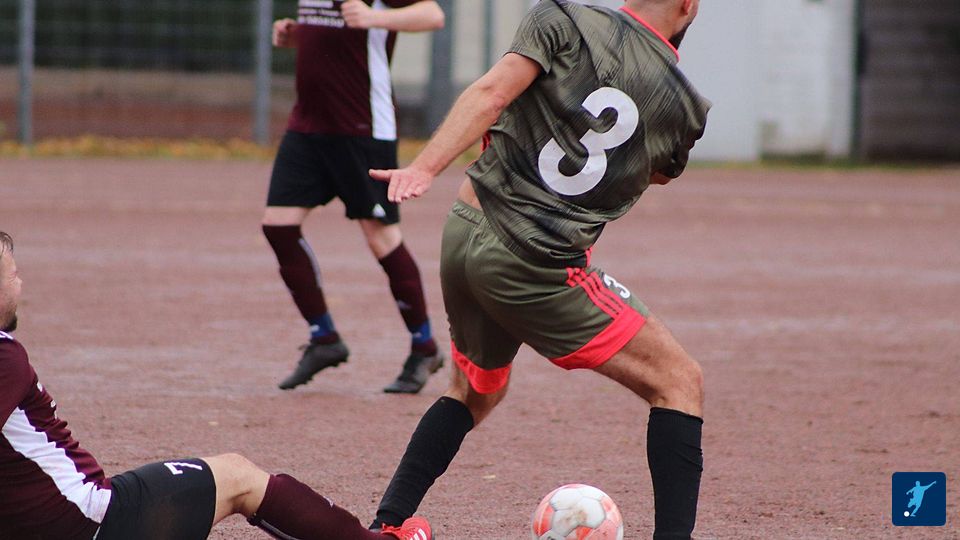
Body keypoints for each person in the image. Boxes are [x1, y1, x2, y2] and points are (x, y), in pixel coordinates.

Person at [367, 0, 710, 537]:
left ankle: (387, 526)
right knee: (679, 381)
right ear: (688, 6)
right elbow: (657, 173)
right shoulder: (685, 106)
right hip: (534, 262)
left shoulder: (561, 17)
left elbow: (493, 93)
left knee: (476, 391)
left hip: (465, 229)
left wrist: (424, 168)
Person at [0, 232, 432, 540]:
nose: (21, 283)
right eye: (13, 274)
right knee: (237, 476)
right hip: (89, 521)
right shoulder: (5, 355)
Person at [263, 0, 446, 394]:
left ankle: (425, 347)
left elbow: (433, 15)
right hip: (308, 125)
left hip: (362, 126)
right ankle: (324, 338)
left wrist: (375, 17)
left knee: (380, 236)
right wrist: (298, 35)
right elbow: (333, 32)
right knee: (278, 226)